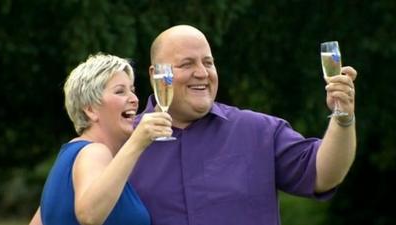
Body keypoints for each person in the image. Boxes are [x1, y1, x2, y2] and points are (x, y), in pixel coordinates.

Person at [129, 25, 357, 225]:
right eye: (187, 64)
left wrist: (343, 117)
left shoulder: (260, 131)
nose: (202, 73)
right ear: (155, 74)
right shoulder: (122, 140)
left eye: (208, 62)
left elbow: (324, 175)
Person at [29, 53, 173, 225]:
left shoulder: (69, 158)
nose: (134, 99)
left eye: (132, 90)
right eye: (120, 91)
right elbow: (89, 215)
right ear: (90, 109)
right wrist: (137, 142)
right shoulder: (95, 152)